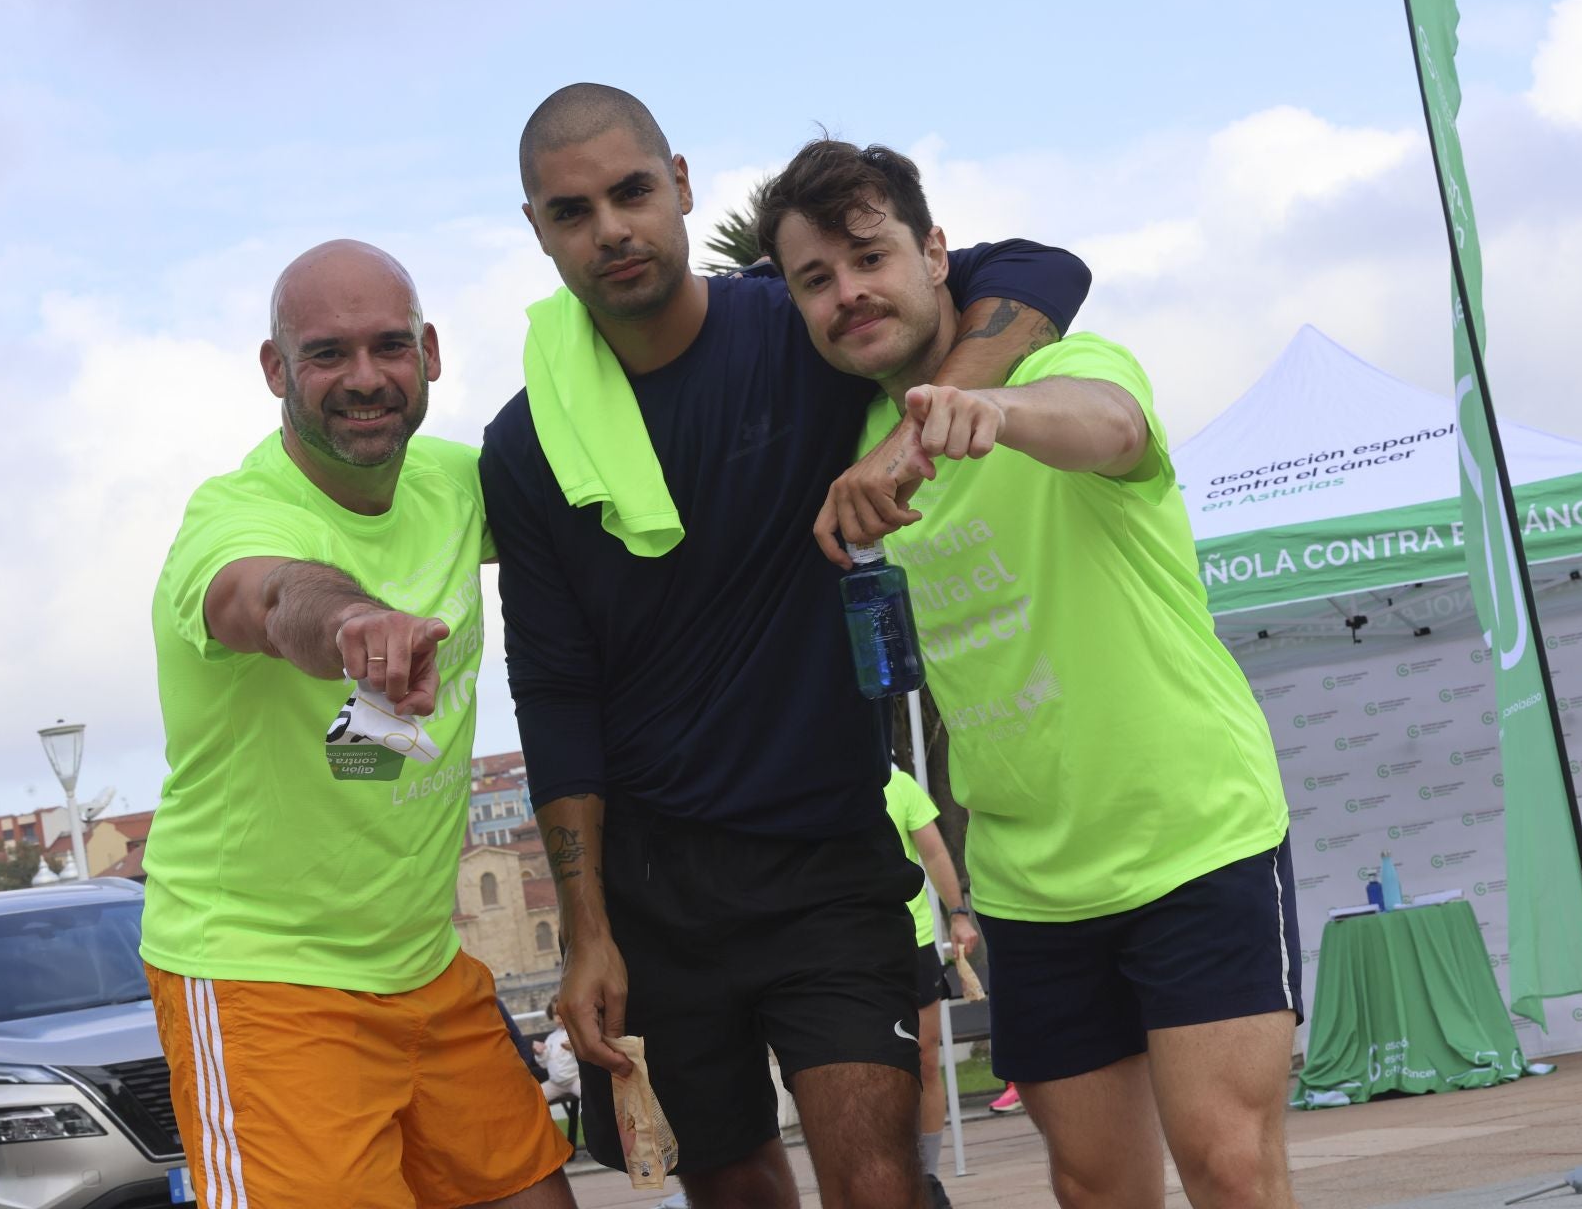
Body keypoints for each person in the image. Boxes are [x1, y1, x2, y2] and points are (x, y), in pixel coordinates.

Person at [480, 83, 1090, 1209]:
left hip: (828, 857)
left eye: (632, 192)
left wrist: (913, 438)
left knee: (876, 1183)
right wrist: (586, 935)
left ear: (681, 187)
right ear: (539, 232)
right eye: (573, 212)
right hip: (655, 886)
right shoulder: (527, 445)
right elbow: (551, 692)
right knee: (735, 1191)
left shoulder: (803, 328)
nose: (611, 228)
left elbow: (1040, 270)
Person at [756, 141, 1298, 1209]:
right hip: (1030, 881)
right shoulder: (856, 450)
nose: (849, 292)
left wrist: (995, 415)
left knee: (1229, 1165)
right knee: (1095, 1185)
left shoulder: (1052, 373)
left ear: (937, 252)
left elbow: (1117, 425)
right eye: (816, 279)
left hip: (1191, 832)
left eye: (870, 257)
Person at [142, 240, 574, 1209]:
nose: (366, 378)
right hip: (265, 980)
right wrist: (349, 623)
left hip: (424, 966)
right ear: (275, 370)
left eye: (388, 346)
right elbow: (265, 594)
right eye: (328, 353)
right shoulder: (232, 514)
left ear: (428, 351)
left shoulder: (461, 483)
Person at [882, 768, 979, 1209]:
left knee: (925, 1056)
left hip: (915, 940)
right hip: (853, 951)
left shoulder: (899, 783)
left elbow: (935, 853)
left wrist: (958, 912)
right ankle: (885, 1169)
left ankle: (928, 1177)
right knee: (874, 1067)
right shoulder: (820, 778)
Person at [534, 997, 582, 1105]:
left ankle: (591, 1119)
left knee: (589, 1097)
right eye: (556, 1014)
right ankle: (541, 1120)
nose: (560, 1017)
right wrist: (540, 1053)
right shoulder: (551, 1038)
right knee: (534, 1097)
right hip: (555, 1083)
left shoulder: (576, 1033)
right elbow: (544, 1064)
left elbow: (584, 1056)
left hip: (575, 1079)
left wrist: (573, 1049)